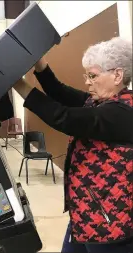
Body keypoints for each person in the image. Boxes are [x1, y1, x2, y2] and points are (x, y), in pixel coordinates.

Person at [13, 37, 133, 253]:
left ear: (117, 75)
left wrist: (16, 83)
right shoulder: (97, 102)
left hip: (109, 223)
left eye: (93, 76)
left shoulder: (123, 112)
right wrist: (39, 64)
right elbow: (59, 92)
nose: (87, 82)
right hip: (84, 212)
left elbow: (64, 118)